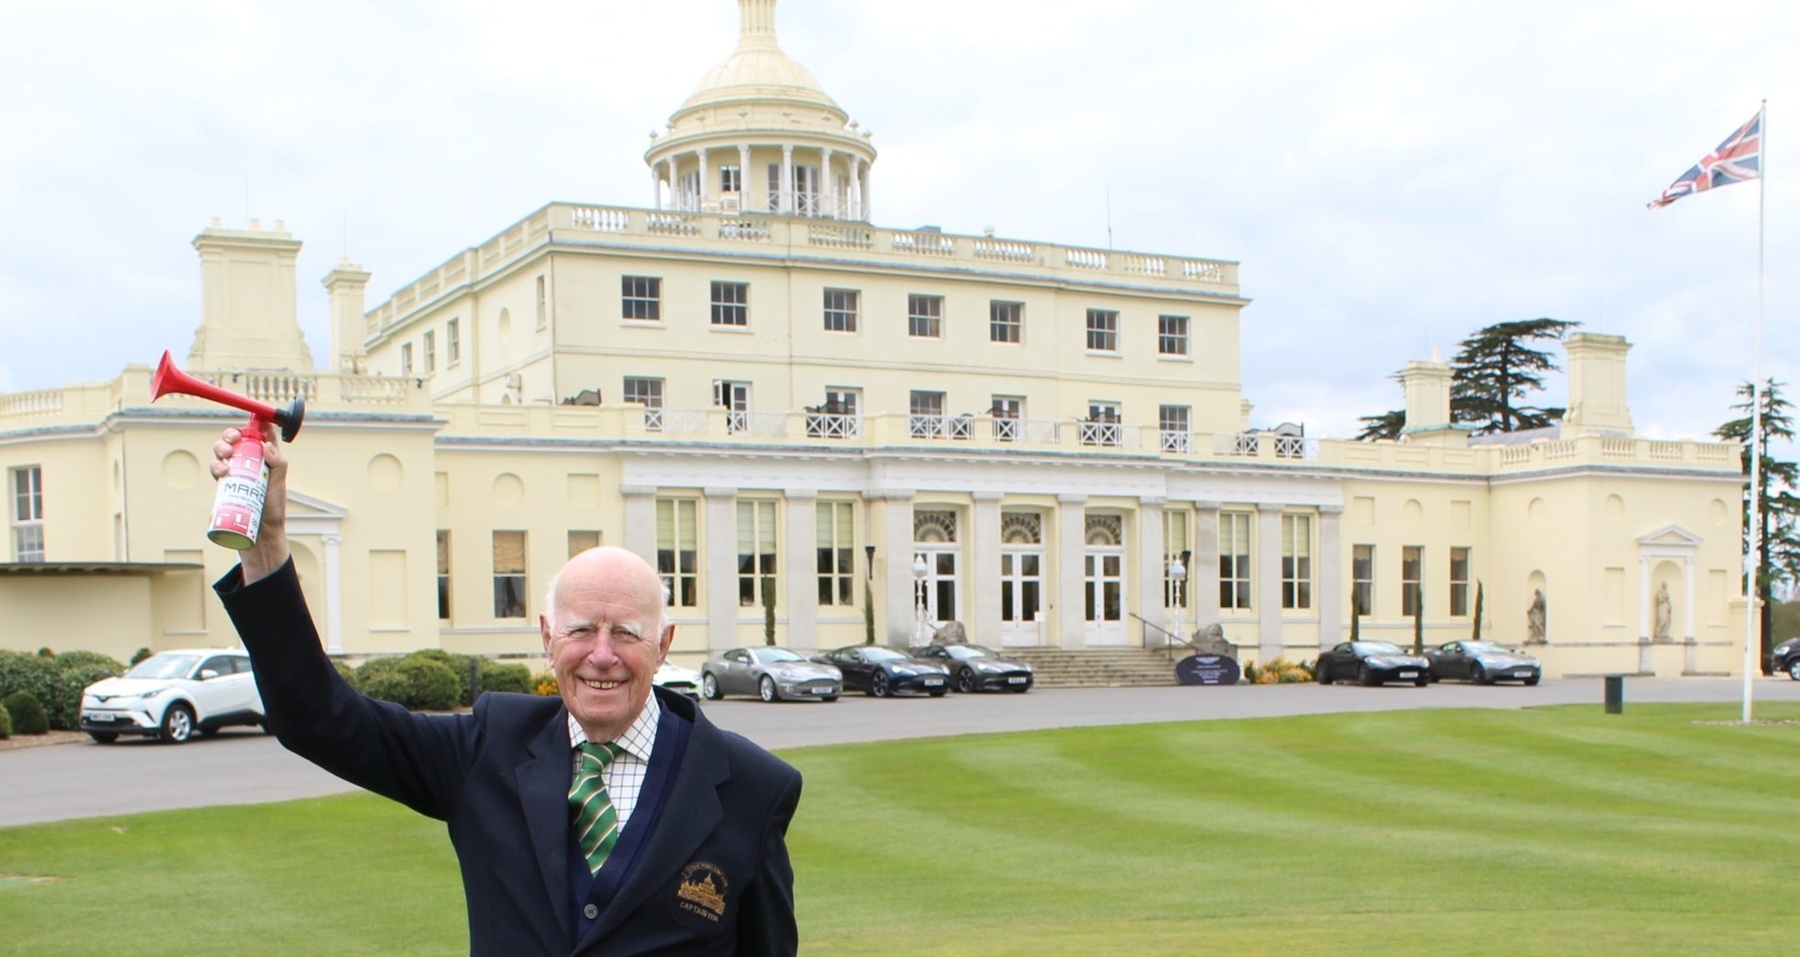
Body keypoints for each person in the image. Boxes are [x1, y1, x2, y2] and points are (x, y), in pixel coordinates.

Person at [209, 424, 800, 956]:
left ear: (664, 644)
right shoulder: (487, 748)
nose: (601, 655)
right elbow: (321, 721)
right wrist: (267, 548)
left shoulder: (751, 786)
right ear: (547, 636)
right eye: (580, 630)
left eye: (625, 632)